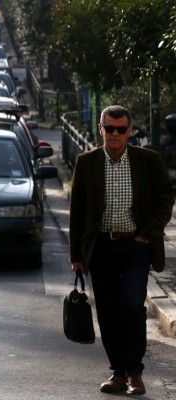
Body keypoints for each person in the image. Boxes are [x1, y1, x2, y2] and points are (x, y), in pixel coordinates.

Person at [69, 105, 174, 396]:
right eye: (109, 128)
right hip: (101, 247)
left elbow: (165, 198)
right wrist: (76, 256)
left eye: (121, 129)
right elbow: (77, 211)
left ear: (129, 131)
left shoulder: (147, 160)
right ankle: (117, 372)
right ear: (100, 129)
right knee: (107, 311)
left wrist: (148, 233)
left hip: (134, 246)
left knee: (131, 305)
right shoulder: (87, 162)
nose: (115, 135)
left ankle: (135, 373)